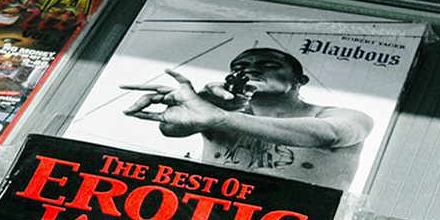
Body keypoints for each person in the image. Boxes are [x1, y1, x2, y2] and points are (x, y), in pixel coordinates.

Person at [117, 47, 373, 190]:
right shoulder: (220, 113)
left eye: (269, 65)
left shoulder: (340, 115)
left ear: (300, 80)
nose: (250, 69)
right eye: (239, 67)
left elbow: (329, 134)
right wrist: (202, 104)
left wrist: (219, 117)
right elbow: (171, 129)